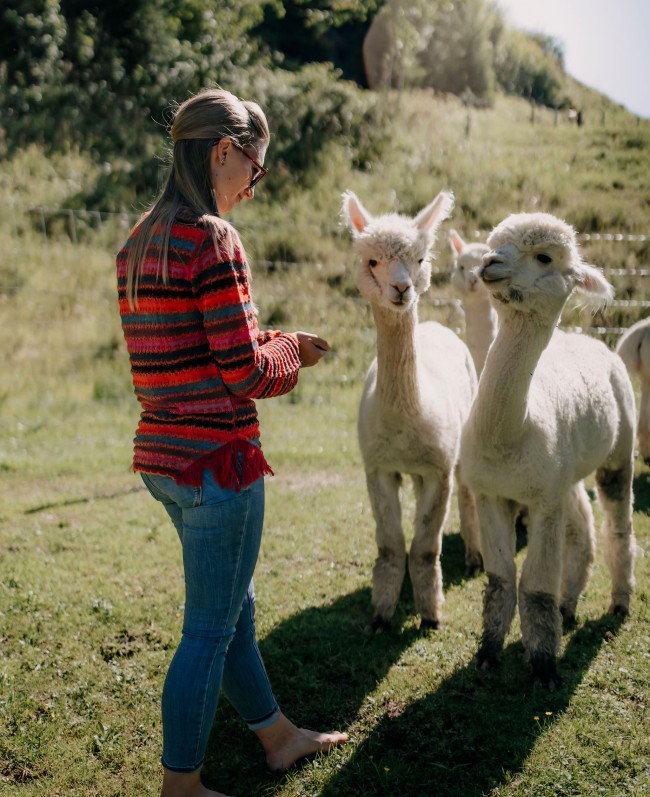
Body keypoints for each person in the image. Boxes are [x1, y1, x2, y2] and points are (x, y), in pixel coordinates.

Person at [116, 87, 348, 797]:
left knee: (232, 607)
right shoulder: (214, 237)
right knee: (208, 632)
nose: (254, 184)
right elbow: (244, 370)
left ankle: (277, 736)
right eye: (254, 168)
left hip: (165, 461)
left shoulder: (139, 241)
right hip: (219, 464)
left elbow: (197, 348)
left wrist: (262, 339)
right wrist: (292, 353)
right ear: (223, 151)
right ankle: (180, 785)